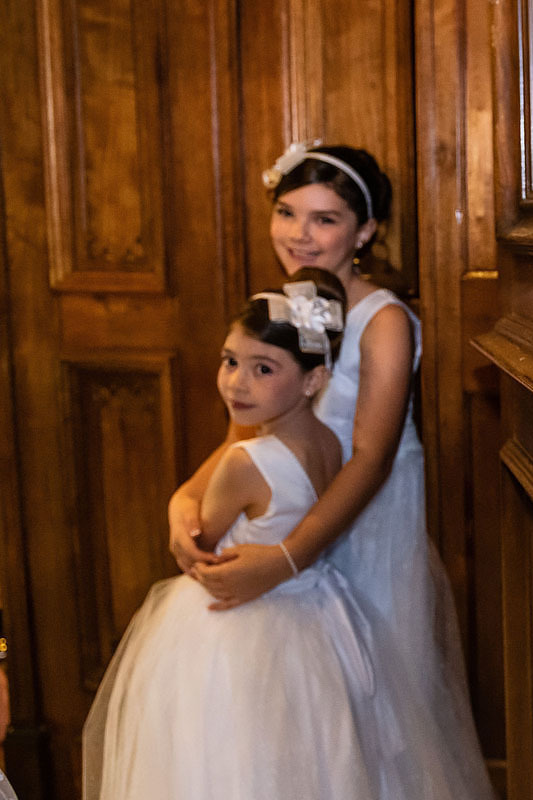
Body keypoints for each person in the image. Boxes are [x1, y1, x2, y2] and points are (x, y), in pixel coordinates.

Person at [166, 143, 493, 798]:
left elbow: (369, 460)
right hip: (286, 511)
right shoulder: (279, 308)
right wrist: (184, 503)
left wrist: (288, 558)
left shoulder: (384, 321)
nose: (300, 235)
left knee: (375, 705)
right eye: (288, 214)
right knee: (298, 711)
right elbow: (242, 426)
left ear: (365, 231)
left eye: (325, 219)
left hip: (366, 527)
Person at [83, 269, 393, 798]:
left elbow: (204, 535)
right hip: (314, 616)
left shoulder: (246, 461)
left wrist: (186, 523)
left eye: (262, 368)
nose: (236, 382)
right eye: (230, 361)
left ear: (313, 380)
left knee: (223, 761)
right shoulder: (329, 445)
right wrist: (179, 501)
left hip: (237, 629)